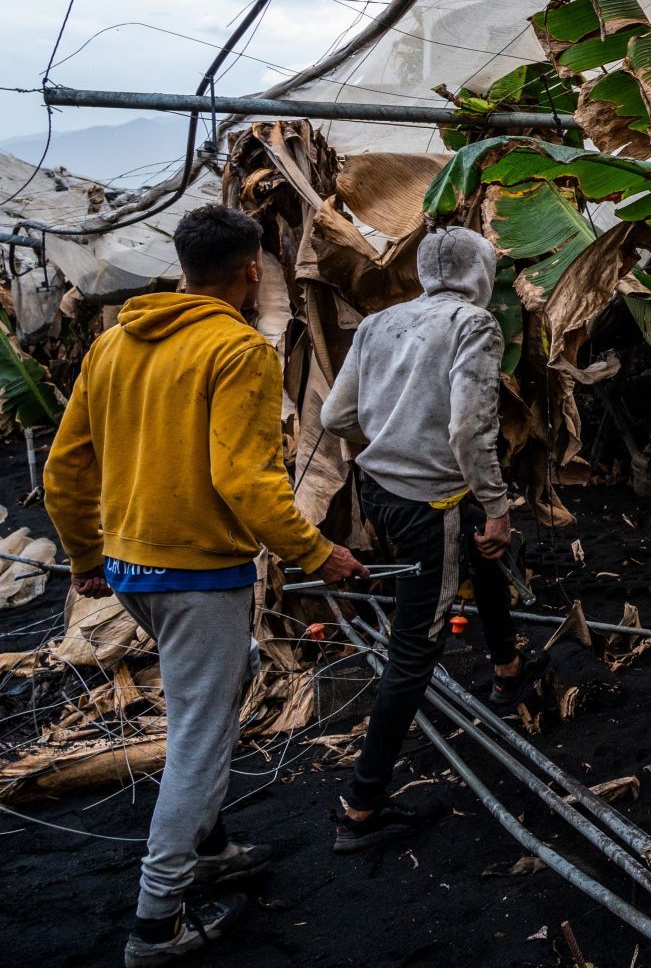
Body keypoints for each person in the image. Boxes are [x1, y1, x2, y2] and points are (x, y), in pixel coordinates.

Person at [45, 204, 370, 967]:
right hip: (196, 576)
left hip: (130, 570)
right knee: (199, 738)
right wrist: (317, 551)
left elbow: (65, 468)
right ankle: (157, 920)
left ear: (184, 263)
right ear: (252, 267)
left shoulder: (112, 344)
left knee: (228, 685)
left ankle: (211, 845)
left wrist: (85, 553)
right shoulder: (237, 349)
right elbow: (243, 480)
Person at [320, 225, 543, 853]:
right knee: (417, 646)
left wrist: (390, 441)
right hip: (431, 502)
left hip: (378, 492)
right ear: (481, 272)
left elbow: (335, 417)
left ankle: (507, 670)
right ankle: (360, 808)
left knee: (484, 559)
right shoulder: (474, 325)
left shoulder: (378, 323)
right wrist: (497, 507)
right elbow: (470, 431)